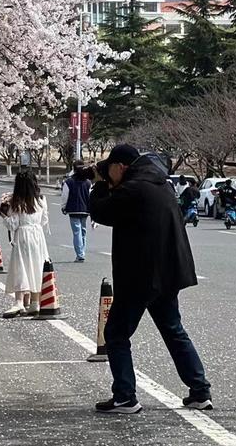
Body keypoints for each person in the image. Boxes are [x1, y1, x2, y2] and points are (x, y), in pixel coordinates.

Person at [88, 143, 211, 414]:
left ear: (120, 167)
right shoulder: (161, 184)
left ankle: (125, 397)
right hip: (167, 274)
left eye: (109, 170)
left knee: (116, 334)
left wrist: (98, 185)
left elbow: (100, 211)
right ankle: (200, 391)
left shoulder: (133, 189)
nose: (108, 175)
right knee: (173, 330)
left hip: (139, 275)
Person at [0, 170, 50, 318]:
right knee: (37, 266)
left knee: (20, 266)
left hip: (22, 235)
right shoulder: (41, 199)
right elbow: (44, 220)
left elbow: (12, 224)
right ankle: (35, 302)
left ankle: (19, 302)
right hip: (38, 236)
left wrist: (3, 214)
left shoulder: (16, 201)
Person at [61, 160, 91, 262]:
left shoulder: (68, 182)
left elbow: (65, 196)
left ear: (73, 169)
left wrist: (63, 207)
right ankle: (82, 252)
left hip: (73, 210)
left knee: (77, 232)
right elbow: (90, 196)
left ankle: (80, 254)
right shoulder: (87, 182)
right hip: (85, 210)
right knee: (83, 232)